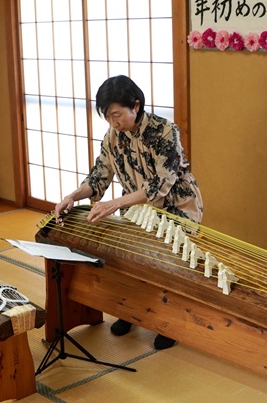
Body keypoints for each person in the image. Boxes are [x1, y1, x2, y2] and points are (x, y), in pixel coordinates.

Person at [53, 75, 203, 350]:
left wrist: (115, 204)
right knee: (128, 258)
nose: (113, 122)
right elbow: (98, 176)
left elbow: (160, 184)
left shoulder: (165, 131)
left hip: (176, 206)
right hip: (134, 207)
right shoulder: (113, 137)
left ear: (136, 105)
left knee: (166, 264)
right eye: (107, 117)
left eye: (117, 115)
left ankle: (168, 322)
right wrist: (72, 196)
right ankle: (130, 310)